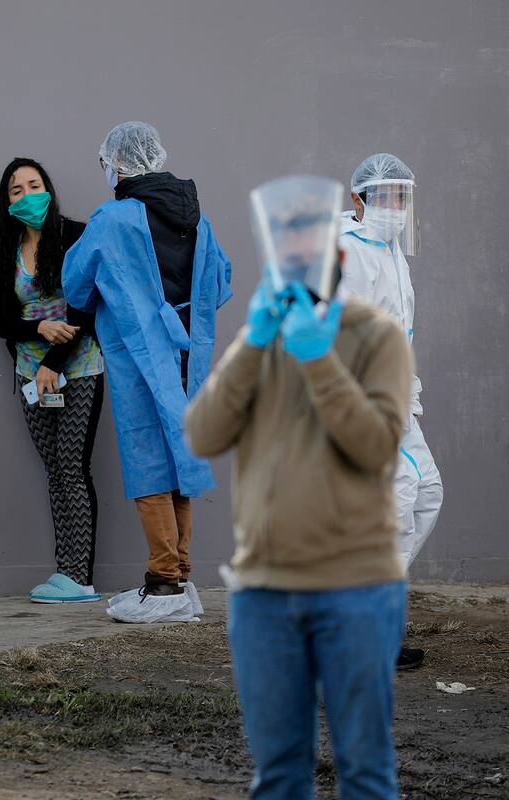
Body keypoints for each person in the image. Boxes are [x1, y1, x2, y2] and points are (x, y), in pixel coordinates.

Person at [186, 174, 412, 799]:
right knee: (278, 776)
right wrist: (251, 347)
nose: (299, 263)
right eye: (286, 253)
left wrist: (319, 359)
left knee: (365, 773)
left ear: (338, 253)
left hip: (358, 589)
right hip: (264, 593)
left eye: (311, 251)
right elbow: (203, 435)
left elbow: (374, 445)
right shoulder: (260, 338)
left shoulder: (379, 339)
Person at [62, 121, 232, 622]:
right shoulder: (200, 221)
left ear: (118, 164)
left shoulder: (113, 219)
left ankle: (162, 584)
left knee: (147, 459)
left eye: (107, 163)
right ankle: (179, 575)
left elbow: (75, 285)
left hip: (141, 355)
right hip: (188, 357)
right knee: (180, 455)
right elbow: (221, 283)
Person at [339, 153, 441, 671]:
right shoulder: (345, 251)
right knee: (397, 503)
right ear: (358, 198)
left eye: (403, 196)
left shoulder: (391, 251)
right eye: (384, 196)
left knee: (426, 493)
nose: (395, 206)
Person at [0, 157, 104, 603]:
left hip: (77, 367)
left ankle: (81, 576)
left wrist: (54, 359)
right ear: (8, 202)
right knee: (54, 471)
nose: (27, 195)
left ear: (48, 189)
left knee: (73, 467)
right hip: (29, 376)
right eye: (17, 190)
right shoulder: (8, 248)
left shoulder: (75, 236)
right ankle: (64, 571)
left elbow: (87, 308)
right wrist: (37, 331)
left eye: (34, 185)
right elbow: (2, 320)